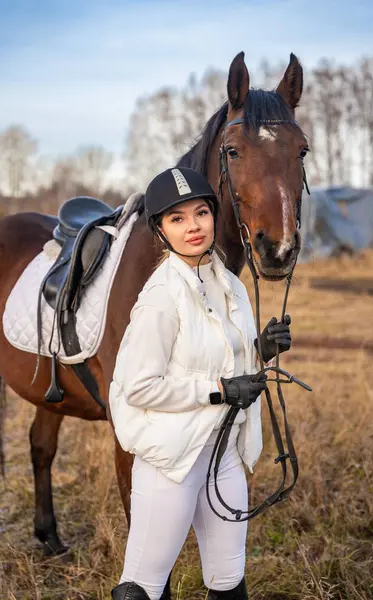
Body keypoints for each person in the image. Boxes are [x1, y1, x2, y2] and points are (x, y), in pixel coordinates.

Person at [109, 167, 291, 600]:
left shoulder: (228, 283)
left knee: (229, 580)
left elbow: (222, 355)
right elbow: (139, 387)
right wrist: (221, 390)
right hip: (173, 461)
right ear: (160, 230)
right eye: (177, 218)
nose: (193, 226)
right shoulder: (159, 298)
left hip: (224, 453)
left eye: (201, 212)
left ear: (214, 217)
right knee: (142, 587)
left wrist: (259, 349)